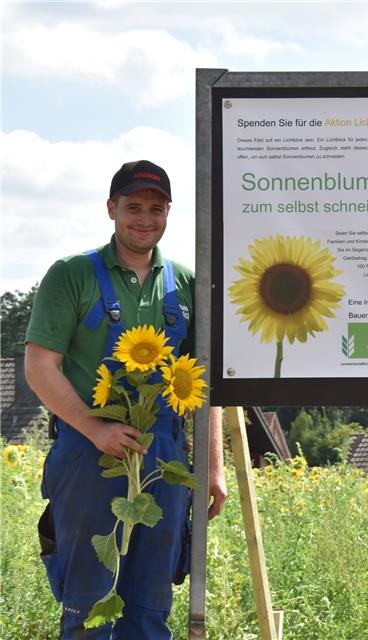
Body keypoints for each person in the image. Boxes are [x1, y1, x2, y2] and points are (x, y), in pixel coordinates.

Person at [24, 160, 228, 639]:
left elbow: (207, 382)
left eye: (156, 209)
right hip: (88, 451)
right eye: (133, 206)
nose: (144, 218)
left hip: (165, 459)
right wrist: (94, 428)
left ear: (168, 213)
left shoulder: (186, 282)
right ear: (112, 208)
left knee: (151, 607)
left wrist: (213, 466)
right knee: (87, 608)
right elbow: (39, 366)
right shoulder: (71, 275)